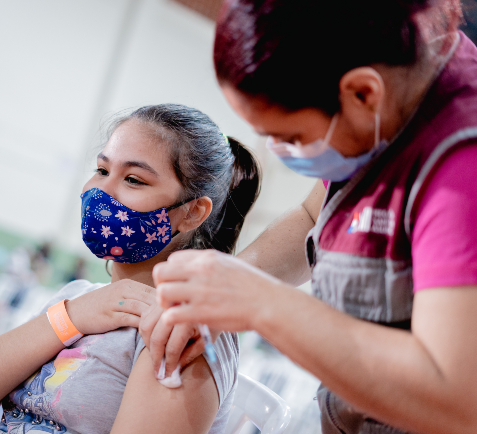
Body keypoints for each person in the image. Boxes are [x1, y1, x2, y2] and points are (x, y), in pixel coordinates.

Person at [145, 1, 477, 433]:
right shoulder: (388, 103)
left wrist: (261, 303)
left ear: (362, 93)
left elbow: (455, 395)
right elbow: (310, 217)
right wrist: (224, 285)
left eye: (291, 136)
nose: (282, 152)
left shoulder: (460, 166)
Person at [0, 104, 261, 433]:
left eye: (133, 179)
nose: (101, 191)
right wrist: (70, 317)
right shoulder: (77, 300)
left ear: (191, 212)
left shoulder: (182, 332)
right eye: (102, 170)